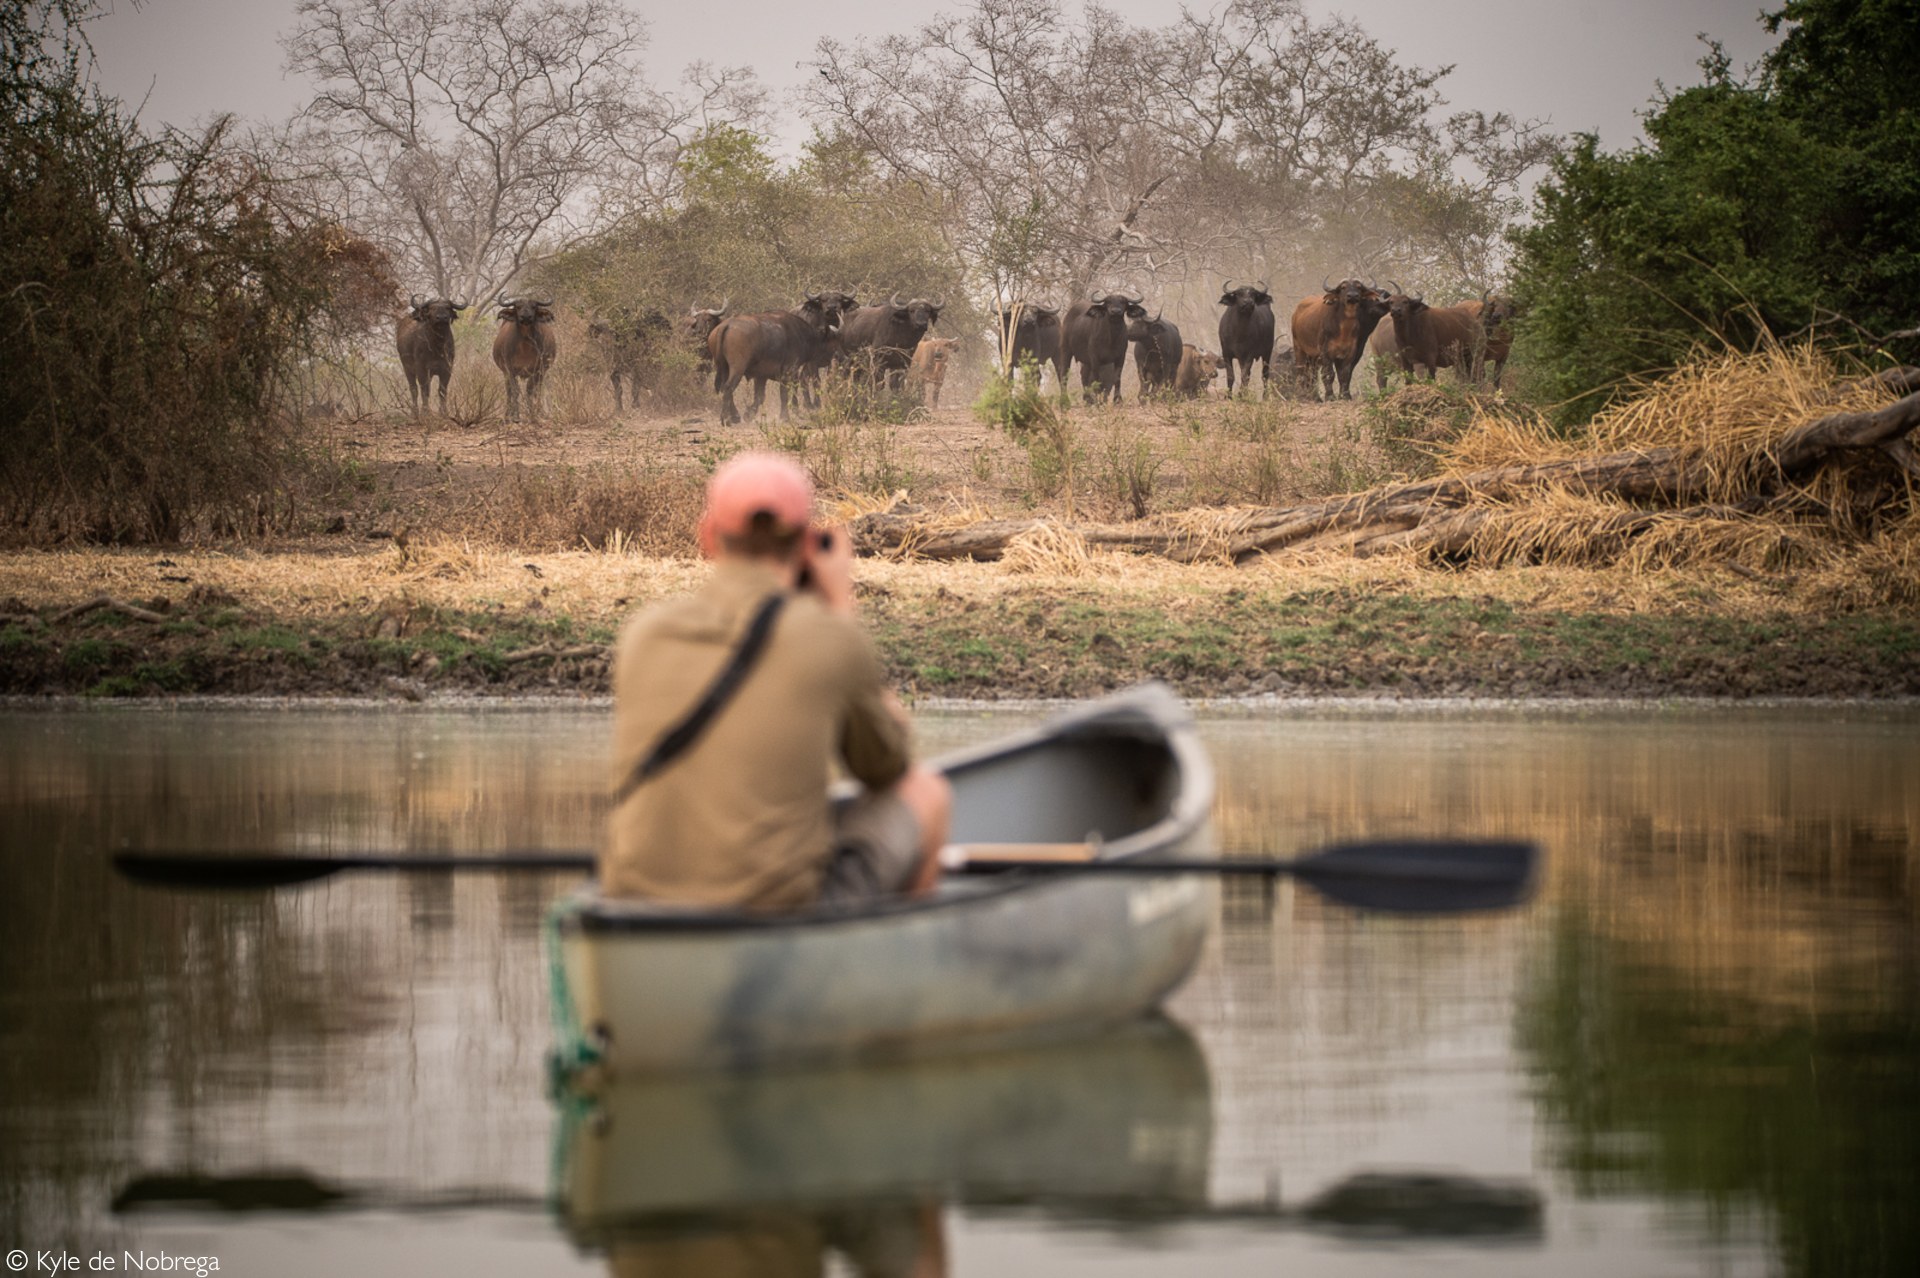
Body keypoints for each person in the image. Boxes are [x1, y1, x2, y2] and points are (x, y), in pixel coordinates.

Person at [605, 451, 951, 911]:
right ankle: (895, 957)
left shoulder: (643, 635)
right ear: (807, 544)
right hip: (770, 908)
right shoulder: (828, 638)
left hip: (636, 904)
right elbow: (886, 767)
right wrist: (841, 611)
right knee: (927, 793)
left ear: (707, 538)